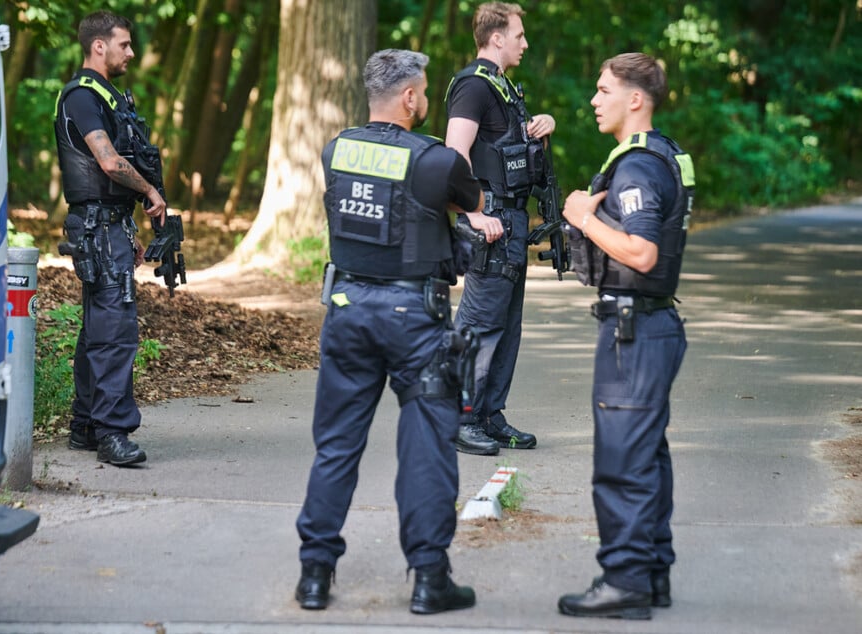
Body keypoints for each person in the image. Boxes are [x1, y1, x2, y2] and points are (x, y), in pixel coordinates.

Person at [295, 48, 492, 615]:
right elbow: (472, 201)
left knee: (335, 446)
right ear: (410, 98)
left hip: (347, 309)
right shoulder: (436, 160)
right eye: (424, 92)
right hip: (416, 321)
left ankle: (315, 574)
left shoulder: (337, 150)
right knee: (428, 447)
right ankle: (430, 579)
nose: (426, 100)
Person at [557, 52, 694, 620]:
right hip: (652, 326)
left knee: (622, 461)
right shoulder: (665, 155)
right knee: (647, 455)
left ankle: (625, 582)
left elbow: (641, 252)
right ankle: (652, 573)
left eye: (603, 89)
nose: (594, 99)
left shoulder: (637, 167)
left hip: (633, 332)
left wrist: (582, 218)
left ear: (635, 99)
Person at [54, 11, 166, 467]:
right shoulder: (82, 97)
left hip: (108, 226)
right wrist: (149, 191)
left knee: (98, 326)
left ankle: (85, 424)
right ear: (98, 46)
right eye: (124, 44)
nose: (131, 53)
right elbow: (108, 162)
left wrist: (128, 226)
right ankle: (112, 432)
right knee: (115, 331)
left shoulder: (108, 96)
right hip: (97, 228)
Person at [445, 2, 555, 456]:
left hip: (510, 222)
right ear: (496, 39)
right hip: (489, 221)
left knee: (507, 326)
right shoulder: (473, 85)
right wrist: (473, 213)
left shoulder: (503, 87)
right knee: (479, 323)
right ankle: (459, 417)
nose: (525, 43)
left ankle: (489, 416)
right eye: (519, 35)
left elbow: (499, 149)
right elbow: (455, 154)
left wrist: (538, 129)